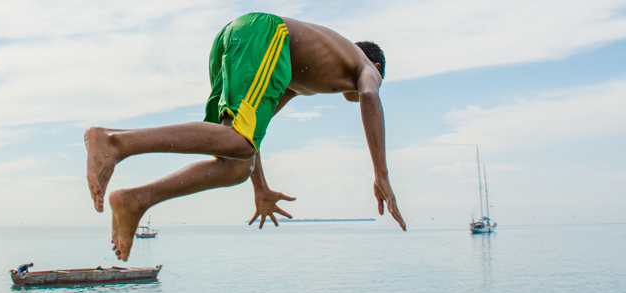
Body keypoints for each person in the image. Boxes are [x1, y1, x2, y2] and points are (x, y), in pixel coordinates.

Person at [84, 13, 406, 261]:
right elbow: (369, 96)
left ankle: (136, 199)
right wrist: (381, 175)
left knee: (237, 164)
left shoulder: (300, 78)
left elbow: (252, 136)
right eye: (379, 78)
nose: (375, 82)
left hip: (239, 39)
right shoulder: (366, 64)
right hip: (264, 34)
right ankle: (114, 142)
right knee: (239, 144)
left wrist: (260, 187)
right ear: (376, 66)